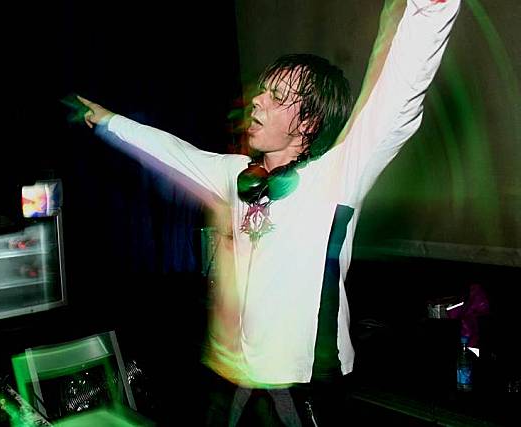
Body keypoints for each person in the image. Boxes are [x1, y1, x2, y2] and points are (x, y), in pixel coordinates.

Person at [77, 1, 462, 424]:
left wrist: (431, 10)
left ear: (309, 124)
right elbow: (173, 151)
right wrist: (111, 121)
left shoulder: (338, 175)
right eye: (263, 90)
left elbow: (398, 96)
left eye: (277, 97)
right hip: (236, 382)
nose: (257, 100)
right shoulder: (238, 175)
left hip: (305, 386)